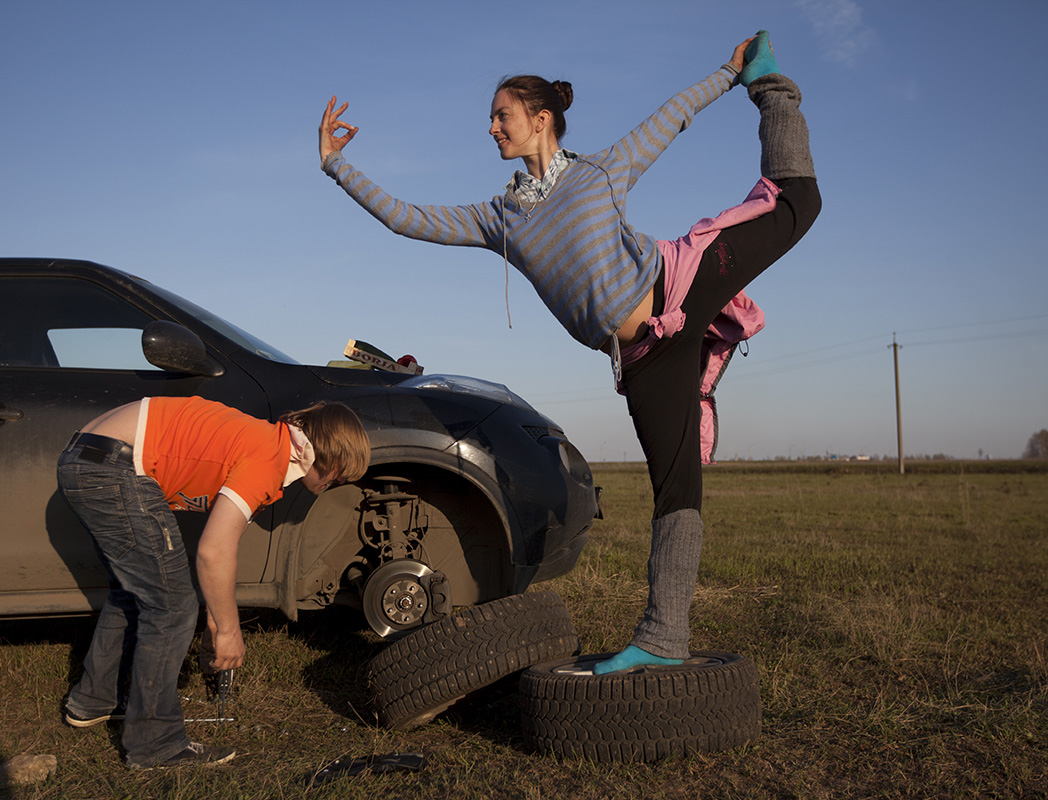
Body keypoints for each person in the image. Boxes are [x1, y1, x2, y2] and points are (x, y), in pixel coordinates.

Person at [318, 31, 819, 674]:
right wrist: (337, 165)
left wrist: (732, 71)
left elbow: (672, 117)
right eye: (493, 118)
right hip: (642, 359)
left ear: (540, 118)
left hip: (679, 284)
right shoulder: (499, 218)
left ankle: (773, 85)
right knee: (676, 488)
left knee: (800, 204)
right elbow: (406, 217)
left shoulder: (599, 172)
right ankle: (665, 638)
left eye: (503, 115)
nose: (492, 127)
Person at [58, 396, 370, 768]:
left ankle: (94, 701)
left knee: (136, 591)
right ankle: (155, 745)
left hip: (87, 457)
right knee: (172, 606)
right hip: (114, 466)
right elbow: (213, 551)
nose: (336, 484)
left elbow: (224, 549)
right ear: (331, 460)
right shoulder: (268, 458)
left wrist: (214, 618)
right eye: (341, 477)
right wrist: (229, 630)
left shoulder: (267, 443)